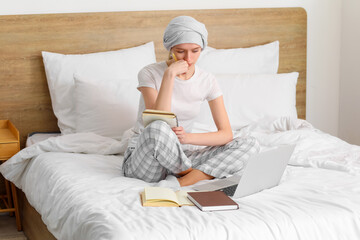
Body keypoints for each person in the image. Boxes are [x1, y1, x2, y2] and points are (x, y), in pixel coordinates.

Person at [122, 16, 259, 187]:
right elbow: (157, 121)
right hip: (147, 158)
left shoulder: (207, 80)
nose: (188, 58)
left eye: (195, 51)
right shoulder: (149, 73)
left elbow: (226, 134)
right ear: (170, 48)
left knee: (249, 143)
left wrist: (187, 138)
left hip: (182, 155)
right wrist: (169, 75)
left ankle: (183, 182)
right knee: (158, 128)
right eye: (180, 51)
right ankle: (198, 174)